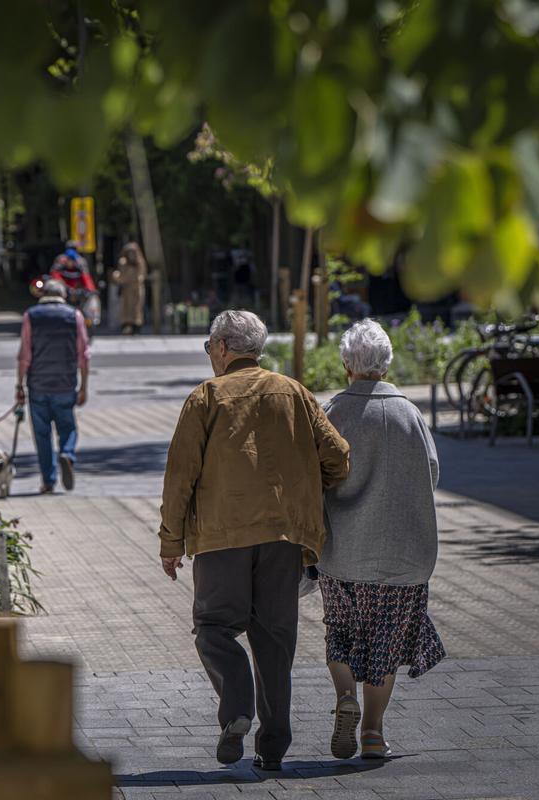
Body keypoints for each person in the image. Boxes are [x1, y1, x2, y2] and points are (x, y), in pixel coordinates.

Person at [158, 310, 350, 772]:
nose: (210, 357)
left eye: (209, 348)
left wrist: (170, 542)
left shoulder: (206, 397)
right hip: (285, 537)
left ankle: (238, 706)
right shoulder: (295, 392)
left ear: (223, 348)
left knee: (214, 627)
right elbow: (339, 458)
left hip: (222, 537)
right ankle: (273, 748)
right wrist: (307, 489)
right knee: (275, 640)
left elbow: (179, 477)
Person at [319, 319, 445, 761]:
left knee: (340, 634)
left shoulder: (333, 411)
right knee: (384, 645)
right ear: (386, 363)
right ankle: (372, 733)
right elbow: (430, 474)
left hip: (341, 553)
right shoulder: (410, 413)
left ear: (346, 363)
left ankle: (344, 696)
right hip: (400, 556)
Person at [17, 278, 91, 494]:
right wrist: (84, 385)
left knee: (42, 435)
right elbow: (83, 355)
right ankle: (67, 454)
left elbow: (24, 356)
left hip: (38, 385)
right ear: (63, 295)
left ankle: (48, 481)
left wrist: (19, 385)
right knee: (68, 428)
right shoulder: (74, 316)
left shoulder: (30, 316)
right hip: (65, 384)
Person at [112, 242, 147, 335]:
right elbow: (121, 277)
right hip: (126, 289)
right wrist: (117, 276)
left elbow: (142, 275)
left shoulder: (140, 262)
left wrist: (137, 279)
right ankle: (127, 326)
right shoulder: (123, 262)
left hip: (136, 289)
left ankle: (136, 326)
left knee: (136, 308)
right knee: (126, 308)